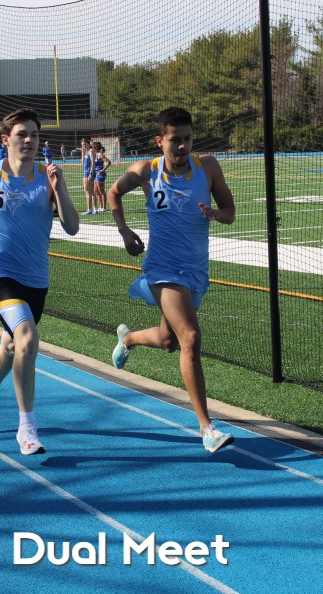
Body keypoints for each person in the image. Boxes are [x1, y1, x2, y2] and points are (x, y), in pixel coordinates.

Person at [0, 108, 79, 455]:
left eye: (34, 135)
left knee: (11, 345)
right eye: (22, 134)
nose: (29, 140)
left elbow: (72, 227)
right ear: (6, 140)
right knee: (27, 338)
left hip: (35, 278)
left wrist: (59, 189)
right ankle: (27, 428)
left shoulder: (47, 178)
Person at [107, 107, 236, 453]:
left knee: (169, 341)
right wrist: (124, 231)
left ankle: (128, 338)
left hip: (196, 271)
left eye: (188, 139)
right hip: (162, 269)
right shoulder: (146, 172)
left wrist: (216, 213)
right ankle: (207, 428)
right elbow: (113, 193)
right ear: (159, 141)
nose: (182, 146)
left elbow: (230, 212)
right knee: (190, 337)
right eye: (175, 140)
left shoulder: (207, 167)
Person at [92, 142, 111, 212]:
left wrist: (102, 170)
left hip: (100, 174)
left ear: (96, 147)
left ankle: (104, 207)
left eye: (93, 146)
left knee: (101, 191)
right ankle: (101, 206)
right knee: (96, 191)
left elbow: (108, 162)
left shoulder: (100, 154)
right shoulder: (95, 154)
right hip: (96, 174)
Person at [81, 138, 96, 215]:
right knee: (88, 191)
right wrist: (83, 152)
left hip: (89, 173)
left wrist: (91, 173)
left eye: (84, 144)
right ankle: (92, 209)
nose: (83, 146)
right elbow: (82, 163)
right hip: (85, 173)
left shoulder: (91, 151)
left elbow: (93, 162)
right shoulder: (86, 152)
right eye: (82, 145)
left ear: (88, 144)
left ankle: (91, 209)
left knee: (89, 191)